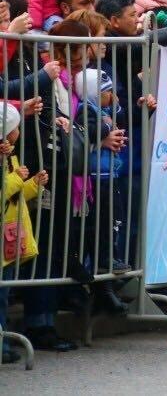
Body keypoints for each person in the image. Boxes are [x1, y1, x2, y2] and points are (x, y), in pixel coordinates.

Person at [1, 102, 50, 363]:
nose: (19, 130)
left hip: (10, 232)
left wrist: (33, 184)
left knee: (4, 293)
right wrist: (19, 179)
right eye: (16, 126)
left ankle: (4, 339)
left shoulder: (10, 156)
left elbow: (16, 195)